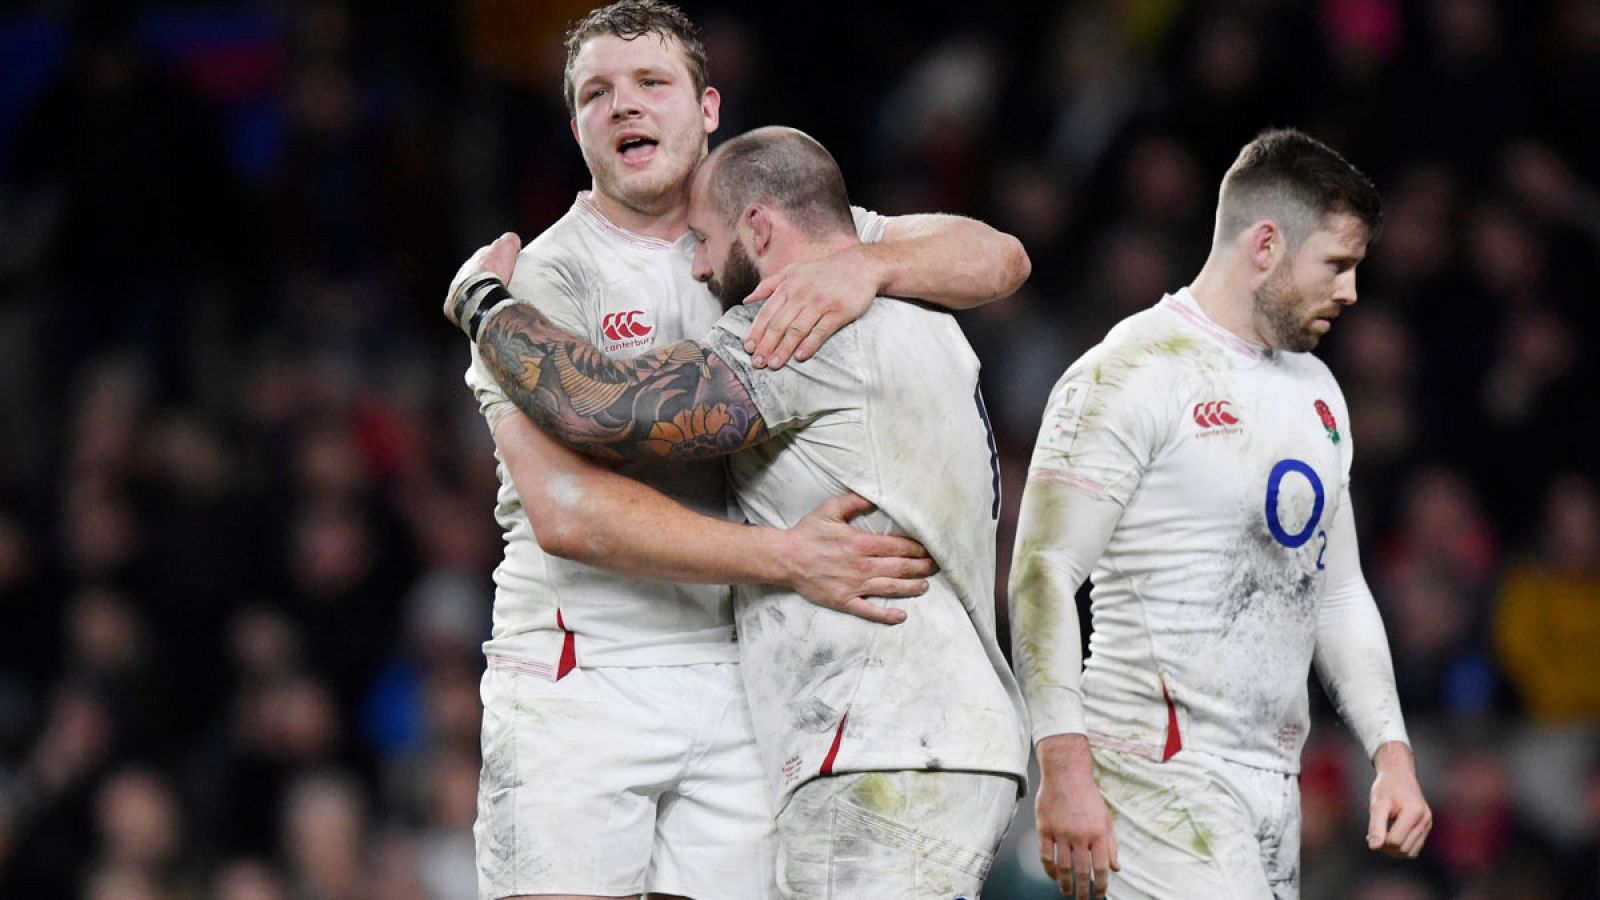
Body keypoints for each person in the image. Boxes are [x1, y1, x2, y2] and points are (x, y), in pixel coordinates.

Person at [461, 3, 1031, 899]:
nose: (624, 105)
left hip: (743, 683)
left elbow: (999, 257)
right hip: (584, 666)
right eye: (596, 94)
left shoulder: (762, 230)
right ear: (576, 129)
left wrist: (873, 263)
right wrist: (784, 557)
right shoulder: (540, 279)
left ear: (708, 107)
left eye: (651, 82)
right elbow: (567, 514)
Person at [1008, 128, 1432, 900]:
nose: (1351, 292)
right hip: (1153, 772)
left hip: (1272, 784)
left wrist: (1391, 753)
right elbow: (1043, 572)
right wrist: (1062, 768)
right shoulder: (1131, 371)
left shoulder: (1318, 391)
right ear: (1266, 245)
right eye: (1337, 265)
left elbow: (1336, 592)